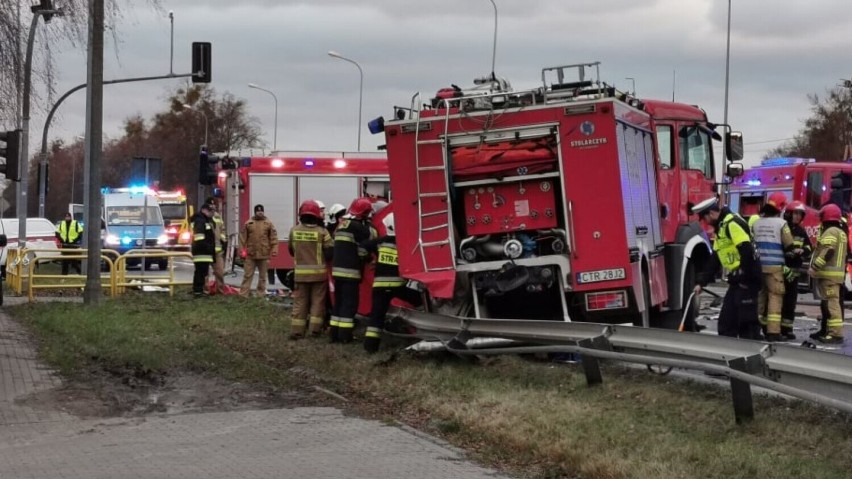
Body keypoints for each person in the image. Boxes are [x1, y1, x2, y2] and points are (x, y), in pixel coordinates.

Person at [692, 196, 763, 340]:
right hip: (738, 279)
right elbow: (716, 258)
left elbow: (747, 251)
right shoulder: (722, 228)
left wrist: (743, 276)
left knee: (746, 323)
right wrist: (701, 282)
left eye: (704, 218)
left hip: (747, 279)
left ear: (711, 214)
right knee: (727, 322)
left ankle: (750, 356)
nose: (705, 223)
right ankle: (729, 353)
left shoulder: (732, 224)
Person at [362, 213, 422, 353]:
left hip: (380, 286)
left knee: (376, 316)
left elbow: (364, 245)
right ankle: (425, 322)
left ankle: (370, 347)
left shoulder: (380, 242)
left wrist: (367, 259)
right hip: (398, 286)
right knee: (419, 299)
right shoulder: (405, 244)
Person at [330, 197, 377, 343]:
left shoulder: (343, 224)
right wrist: (369, 259)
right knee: (349, 305)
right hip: (351, 272)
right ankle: (345, 337)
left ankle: (335, 335)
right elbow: (370, 240)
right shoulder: (359, 228)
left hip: (337, 271)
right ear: (364, 213)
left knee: (338, 304)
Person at [287, 200, 333, 339]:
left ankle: (297, 332)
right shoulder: (323, 232)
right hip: (319, 275)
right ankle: (314, 331)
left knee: (300, 302)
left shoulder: (294, 231)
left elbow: (291, 250)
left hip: (300, 275)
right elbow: (330, 252)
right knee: (317, 303)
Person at [752, 192, 794, 341]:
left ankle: (754, 329)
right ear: (781, 208)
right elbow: (789, 244)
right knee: (775, 297)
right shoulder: (781, 224)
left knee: (760, 298)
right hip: (775, 267)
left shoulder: (756, 223)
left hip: (758, 266)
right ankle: (773, 332)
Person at [808, 204, 847, 344]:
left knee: (832, 305)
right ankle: (828, 331)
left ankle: (835, 334)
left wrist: (815, 267)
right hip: (836, 276)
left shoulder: (830, 232)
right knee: (830, 304)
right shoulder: (841, 231)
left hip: (829, 276)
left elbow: (828, 251)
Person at [780, 201, 812, 340]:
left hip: (794, 274)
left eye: (800, 214)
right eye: (796, 213)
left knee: (790, 303)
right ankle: (775, 328)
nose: (798, 217)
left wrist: (802, 250)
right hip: (782, 271)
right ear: (788, 213)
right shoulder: (782, 228)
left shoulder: (801, 231)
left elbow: (809, 248)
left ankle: (787, 329)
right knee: (777, 301)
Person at [239, 204, 279, 298]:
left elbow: (273, 238)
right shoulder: (249, 224)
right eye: (258, 211)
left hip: (264, 254)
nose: (260, 213)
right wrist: (242, 251)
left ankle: (260, 294)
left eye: (261, 211)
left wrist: (274, 249)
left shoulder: (268, 224)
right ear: (255, 212)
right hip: (250, 254)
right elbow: (242, 238)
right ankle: (243, 294)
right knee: (247, 275)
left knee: (262, 277)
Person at [191, 203, 216, 298]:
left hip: (203, 252)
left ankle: (199, 290)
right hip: (201, 252)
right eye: (210, 211)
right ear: (204, 210)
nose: (211, 213)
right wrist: (208, 247)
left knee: (202, 272)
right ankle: (197, 291)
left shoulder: (204, 220)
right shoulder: (200, 220)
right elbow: (199, 237)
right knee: (200, 272)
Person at [207, 198, 228, 294]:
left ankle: (220, 291)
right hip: (206, 250)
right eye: (210, 205)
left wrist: (223, 241)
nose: (213, 206)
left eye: (214, 205)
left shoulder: (218, 217)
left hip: (218, 250)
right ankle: (205, 291)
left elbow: (222, 230)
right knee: (204, 273)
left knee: (220, 272)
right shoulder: (202, 217)